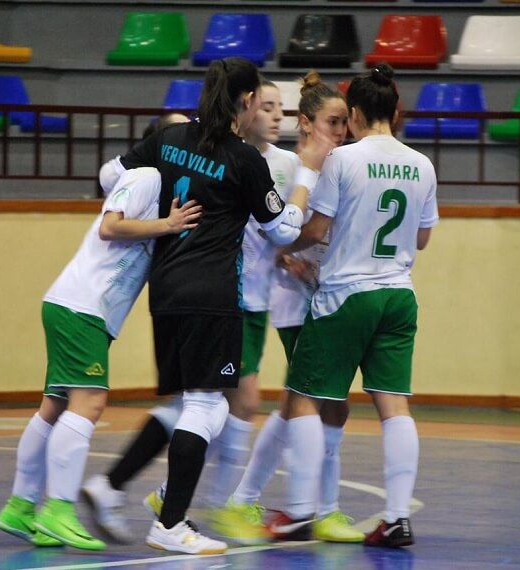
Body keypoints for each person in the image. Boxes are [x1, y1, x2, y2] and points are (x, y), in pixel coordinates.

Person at [81, 56, 331, 555]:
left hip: (165, 289)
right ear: (244, 102)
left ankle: (132, 492)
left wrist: (154, 211)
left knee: (190, 406)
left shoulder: (168, 141)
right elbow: (283, 229)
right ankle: (170, 523)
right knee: (207, 405)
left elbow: (110, 177)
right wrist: (307, 171)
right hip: (213, 294)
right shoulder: (244, 160)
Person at [0, 145, 203, 550]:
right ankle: (59, 509)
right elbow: (111, 226)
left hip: (78, 307)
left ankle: (20, 507)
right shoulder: (148, 178)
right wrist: (168, 225)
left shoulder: (162, 188)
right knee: (89, 402)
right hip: (82, 307)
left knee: (54, 407)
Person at [271, 63, 439, 548]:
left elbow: (318, 230)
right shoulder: (422, 164)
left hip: (346, 293)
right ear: (398, 110)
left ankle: (301, 511)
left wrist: (282, 246)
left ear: (358, 113)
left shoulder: (344, 161)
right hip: (399, 295)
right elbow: (423, 238)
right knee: (393, 405)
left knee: (303, 397)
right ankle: (397, 517)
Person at [209, 71, 366, 545]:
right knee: (319, 403)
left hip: (325, 292)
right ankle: (316, 507)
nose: (342, 130)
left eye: (345, 122)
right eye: (333, 122)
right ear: (307, 123)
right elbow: (274, 226)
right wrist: (289, 252)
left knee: (303, 403)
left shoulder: (340, 163)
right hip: (294, 297)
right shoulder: (290, 167)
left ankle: (246, 496)